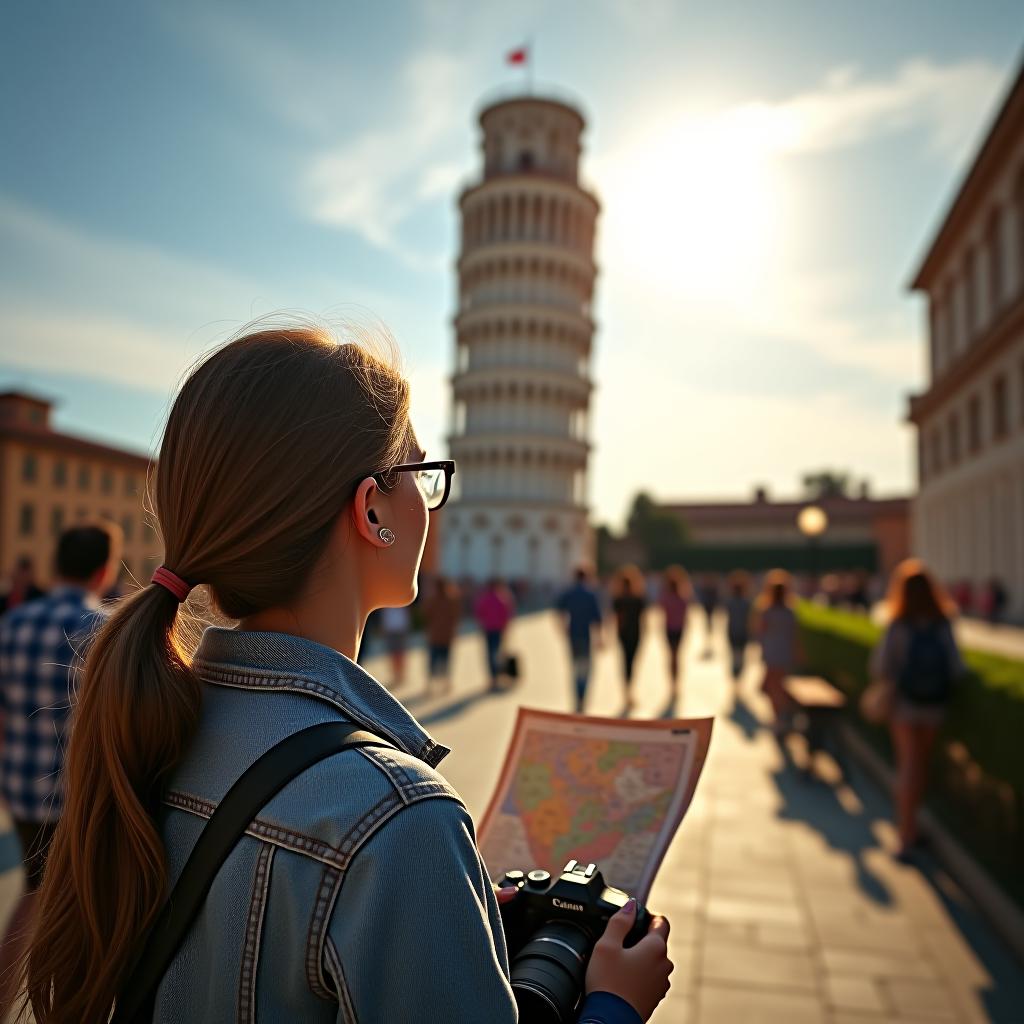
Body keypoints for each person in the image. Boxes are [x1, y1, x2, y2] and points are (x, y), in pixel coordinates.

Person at [20, 326, 672, 1024]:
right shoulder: (396, 817)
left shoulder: (152, 729)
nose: (430, 502)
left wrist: (455, 924)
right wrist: (612, 1007)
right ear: (370, 511)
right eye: (423, 474)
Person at [0, 524, 120, 1010]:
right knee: (81, 915)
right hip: (80, 799)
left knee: (32, 898)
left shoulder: (13, 623)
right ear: (104, 571)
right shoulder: (105, 631)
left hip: (21, 790)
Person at [871, 559, 963, 862]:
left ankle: (905, 831)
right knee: (921, 764)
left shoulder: (899, 624)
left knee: (907, 765)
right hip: (934, 704)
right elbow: (956, 666)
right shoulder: (942, 622)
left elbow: (882, 666)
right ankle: (914, 826)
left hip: (905, 704)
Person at [753, 569, 799, 732]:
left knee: (772, 687)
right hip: (784, 652)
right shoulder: (790, 612)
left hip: (772, 651)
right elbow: (794, 635)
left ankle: (780, 716)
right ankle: (782, 716)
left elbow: (759, 631)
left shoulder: (767, 611)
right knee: (777, 685)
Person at [556, 566, 604, 713]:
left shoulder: (569, 593)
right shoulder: (590, 594)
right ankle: (582, 697)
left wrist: (562, 627)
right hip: (585, 636)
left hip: (573, 635)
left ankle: (577, 698)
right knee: (585, 669)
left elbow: (558, 610)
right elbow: (597, 620)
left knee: (575, 668)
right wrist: (599, 638)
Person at [612, 566, 647, 714]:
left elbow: (617, 619)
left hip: (623, 634)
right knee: (632, 662)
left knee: (625, 662)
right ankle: (629, 691)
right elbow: (643, 619)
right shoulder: (638, 599)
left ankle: (626, 691)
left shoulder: (619, 599)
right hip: (635, 633)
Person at [474, 578, 516, 691]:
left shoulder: (484, 598)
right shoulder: (502, 598)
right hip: (499, 629)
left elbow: (478, 613)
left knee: (490, 653)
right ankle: (499, 676)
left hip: (488, 628)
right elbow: (508, 614)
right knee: (498, 653)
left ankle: (493, 678)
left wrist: (482, 624)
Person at [657, 567, 690, 702]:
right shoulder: (682, 598)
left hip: (669, 629)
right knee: (676, 656)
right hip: (678, 629)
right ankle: (675, 683)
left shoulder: (666, 598)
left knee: (672, 656)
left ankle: (673, 682)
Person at [424, 576, 461, 692]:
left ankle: (431, 684)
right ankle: (445, 683)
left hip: (435, 635)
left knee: (433, 661)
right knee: (445, 660)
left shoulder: (433, 599)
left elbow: (426, 615)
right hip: (446, 636)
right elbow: (455, 617)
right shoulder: (451, 599)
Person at [724, 571, 752, 682]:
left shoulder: (730, 602)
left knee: (734, 654)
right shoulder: (746, 603)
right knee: (741, 655)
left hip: (733, 631)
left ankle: (736, 674)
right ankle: (738, 675)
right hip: (742, 632)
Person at [378, 602, 412, 687]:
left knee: (400, 652)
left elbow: (406, 612)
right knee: (393, 653)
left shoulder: (402, 600)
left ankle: (401, 674)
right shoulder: (386, 602)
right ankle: (396, 675)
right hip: (391, 629)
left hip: (400, 628)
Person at [695, 573, 719, 658]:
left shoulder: (711, 590)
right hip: (707, 610)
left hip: (710, 610)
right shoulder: (706, 590)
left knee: (709, 626)